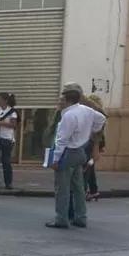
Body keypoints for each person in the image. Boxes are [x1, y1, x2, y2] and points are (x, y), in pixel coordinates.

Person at [48, 83, 106, 229]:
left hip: (68, 152)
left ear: (68, 100)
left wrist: (55, 159)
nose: (59, 102)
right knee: (78, 187)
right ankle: (81, 217)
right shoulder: (86, 110)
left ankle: (61, 218)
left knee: (62, 187)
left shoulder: (68, 115)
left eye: (61, 99)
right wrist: (92, 130)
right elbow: (101, 119)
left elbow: (61, 140)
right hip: (80, 151)